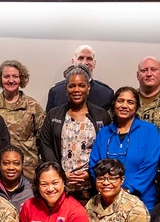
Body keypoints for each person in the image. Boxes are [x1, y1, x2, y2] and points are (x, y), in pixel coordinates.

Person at [37, 64, 110, 202]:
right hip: (61, 188)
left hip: (92, 189)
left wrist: (91, 173)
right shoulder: (54, 115)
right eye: (72, 86)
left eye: (81, 85)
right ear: (66, 89)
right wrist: (60, 173)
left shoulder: (102, 116)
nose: (77, 90)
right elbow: (46, 145)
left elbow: (106, 149)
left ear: (88, 88)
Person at [89, 87, 160, 212]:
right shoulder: (104, 133)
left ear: (136, 106)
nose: (124, 105)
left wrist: (127, 189)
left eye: (130, 102)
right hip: (107, 201)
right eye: (120, 101)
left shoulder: (149, 131)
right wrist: (107, 189)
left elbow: (151, 165)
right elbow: (94, 165)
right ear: (114, 104)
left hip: (141, 201)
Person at [0, 60, 45, 180]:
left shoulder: (33, 106)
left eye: (15, 76)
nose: (11, 80)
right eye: (6, 76)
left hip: (28, 169)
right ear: (0, 79)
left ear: (21, 79)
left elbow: (43, 139)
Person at [46, 45, 114, 111]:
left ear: (94, 63)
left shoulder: (106, 93)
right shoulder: (56, 92)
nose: (84, 62)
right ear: (73, 62)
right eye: (80, 58)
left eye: (89, 59)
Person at [0, 145, 34, 213]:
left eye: (16, 163)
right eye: (6, 163)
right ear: (0, 165)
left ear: (22, 165)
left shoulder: (32, 190)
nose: (11, 167)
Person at [135, 56, 160, 132]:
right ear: (137, 75)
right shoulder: (128, 100)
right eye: (144, 70)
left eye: (154, 70)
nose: (149, 74)